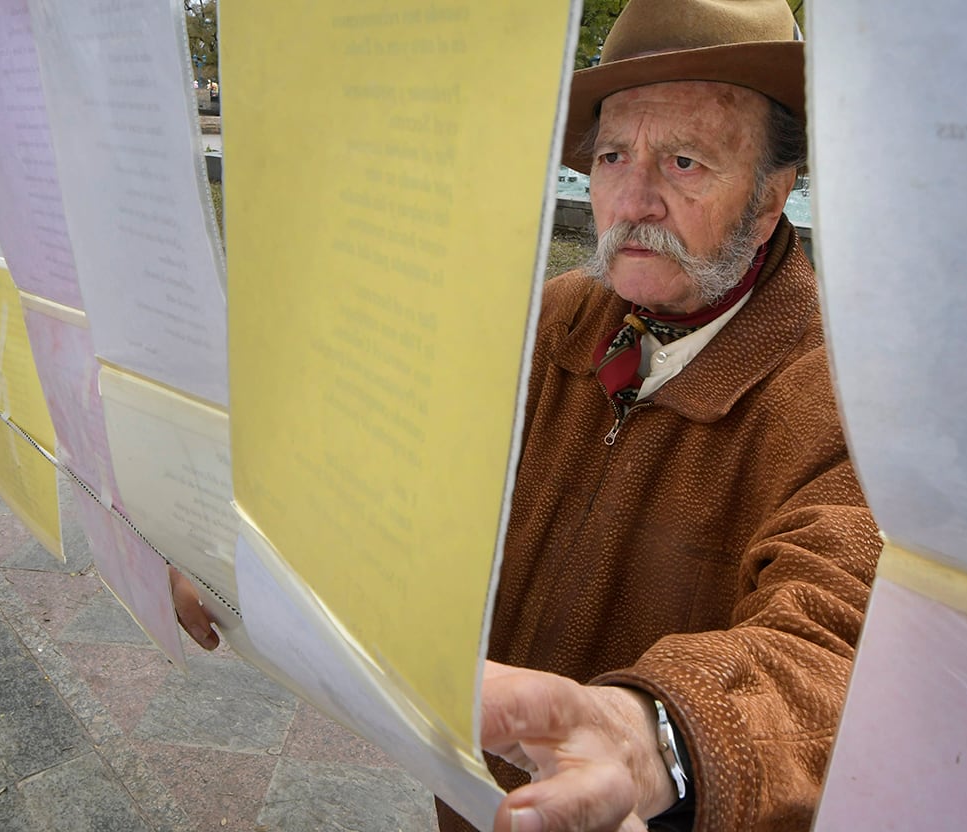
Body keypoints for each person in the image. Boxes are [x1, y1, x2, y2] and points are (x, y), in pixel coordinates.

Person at [174, 1, 881, 829]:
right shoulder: (556, 317)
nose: (635, 199)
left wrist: (657, 736)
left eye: (685, 161)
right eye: (613, 156)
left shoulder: (843, 396)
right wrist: (251, 536)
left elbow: (840, 643)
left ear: (773, 196)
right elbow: (389, 450)